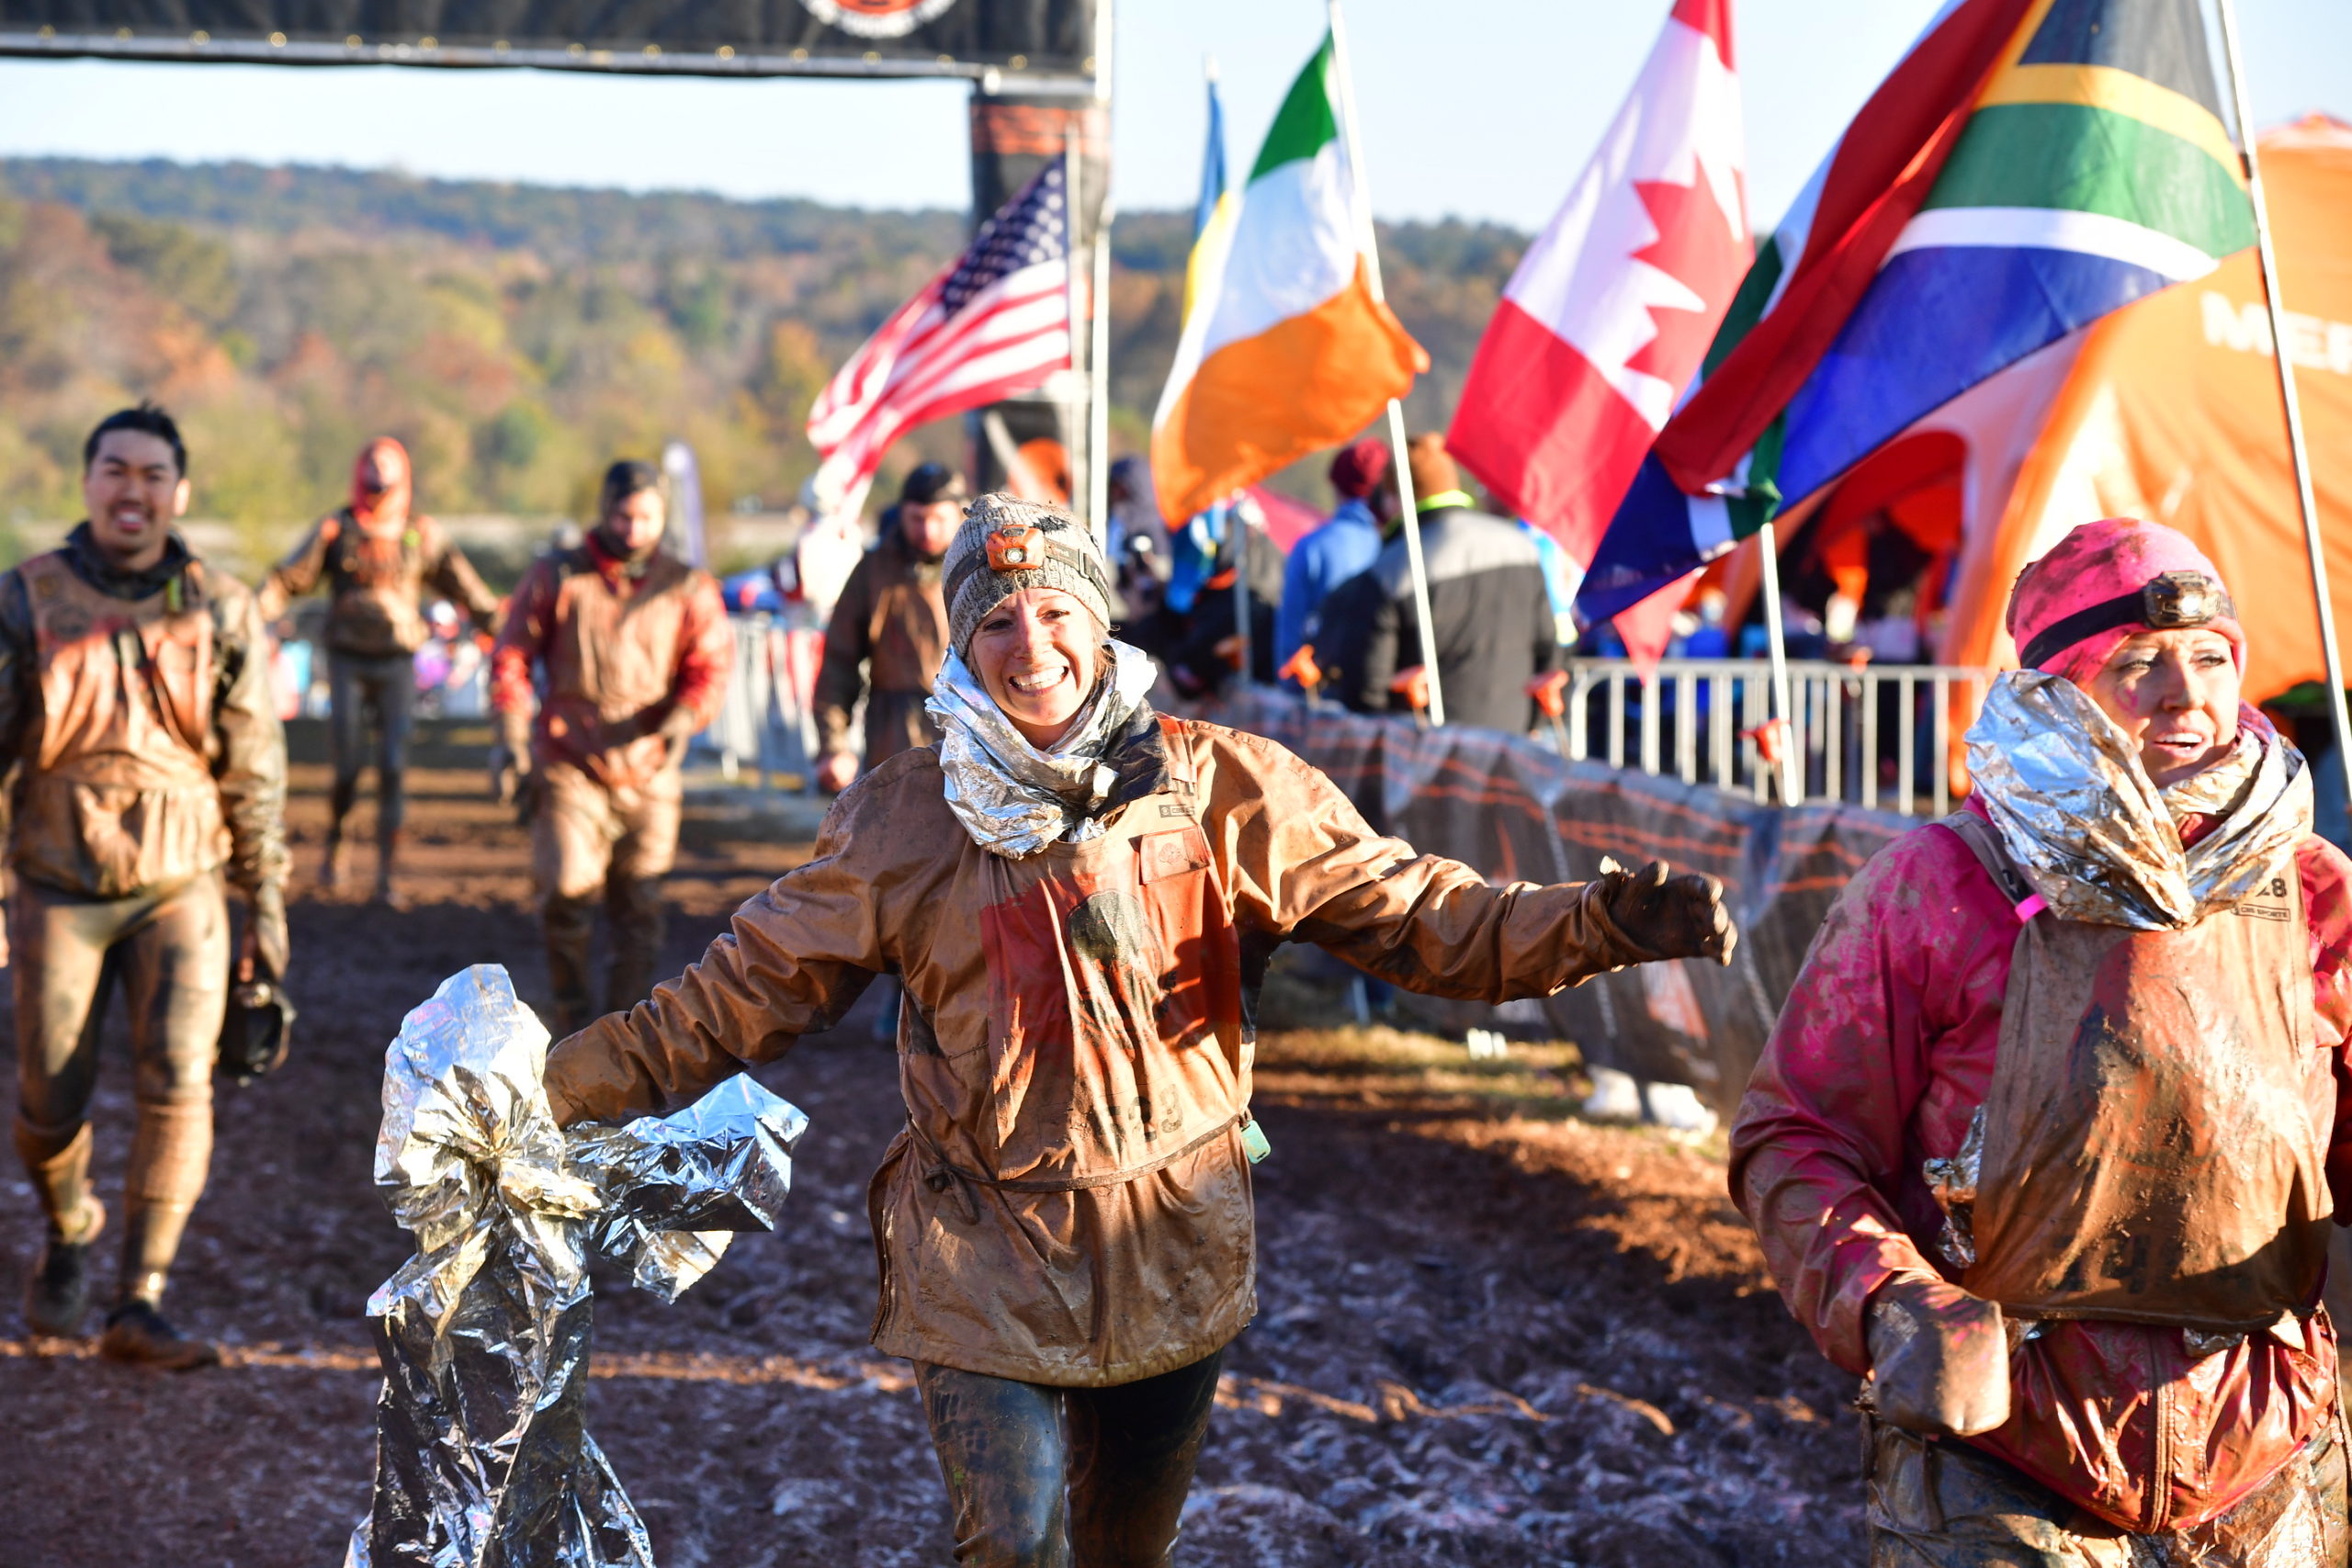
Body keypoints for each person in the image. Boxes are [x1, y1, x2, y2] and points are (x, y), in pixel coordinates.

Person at [537, 492, 1736, 1567]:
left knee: (1121, 1554)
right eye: (995, 622)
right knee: (1014, 1544)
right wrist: (549, 1089)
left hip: (1177, 1234)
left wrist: (1603, 920)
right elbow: (733, 992)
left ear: (1099, 624)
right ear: (960, 644)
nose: (1030, 646)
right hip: (984, 1241)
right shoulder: (905, 818)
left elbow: (1427, 919)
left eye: (1053, 609)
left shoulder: (1224, 788)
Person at [1731, 517, 2352, 1564]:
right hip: (2004, 1444)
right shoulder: (1939, 884)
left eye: (2211, 657)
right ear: (2061, 688)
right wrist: (1889, 1300)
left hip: (2267, 1442)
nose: (2186, 694)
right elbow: (1794, 1135)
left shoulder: (2314, 887)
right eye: (2136, 662)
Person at [10, 403, 290, 1368]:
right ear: (87, 482)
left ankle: (141, 1302)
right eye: (115, 471)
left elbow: (254, 769)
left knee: (179, 1082)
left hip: (185, 882)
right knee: (51, 1097)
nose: (134, 490)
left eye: (153, 474)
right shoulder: (26, 600)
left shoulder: (222, 607)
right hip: (58, 879)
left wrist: (267, 904)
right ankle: (68, 1228)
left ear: (181, 490)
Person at [490, 460, 730, 1034]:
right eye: (624, 515)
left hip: (651, 766)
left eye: (647, 516)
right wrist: (510, 735)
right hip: (571, 763)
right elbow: (511, 657)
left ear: (662, 516)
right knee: (566, 895)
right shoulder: (559, 577)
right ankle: (574, 1015)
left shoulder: (686, 585)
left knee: (641, 910)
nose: (634, 528)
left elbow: (711, 666)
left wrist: (684, 717)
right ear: (604, 510)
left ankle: (622, 1032)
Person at [260, 436, 501, 906]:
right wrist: (249, 611)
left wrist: (507, 626)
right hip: (348, 658)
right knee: (348, 765)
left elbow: (466, 586)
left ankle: (386, 876)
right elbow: (290, 578)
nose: (378, 484)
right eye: (371, 473)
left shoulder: (421, 533)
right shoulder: (336, 529)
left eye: (386, 474)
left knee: (393, 764)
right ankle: (337, 844)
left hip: (396, 661)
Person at [1329, 433, 1559, 735]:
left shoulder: (1391, 569)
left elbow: (1365, 690)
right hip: (1512, 748)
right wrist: (1532, 725)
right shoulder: (1520, 546)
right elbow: (1550, 655)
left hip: (1425, 758)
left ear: (1394, 498)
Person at [811, 463, 965, 794]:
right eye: (917, 519)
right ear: (902, 514)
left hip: (975, 729)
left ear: (958, 515)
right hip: (893, 734)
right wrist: (833, 746)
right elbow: (839, 663)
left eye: (938, 519)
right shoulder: (874, 571)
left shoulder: (984, 569)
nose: (927, 531)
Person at [1273, 438, 1393, 686]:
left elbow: (1290, 644)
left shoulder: (1312, 547)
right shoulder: (1399, 546)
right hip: (1382, 694)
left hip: (1320, 695)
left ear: (1337, 487)